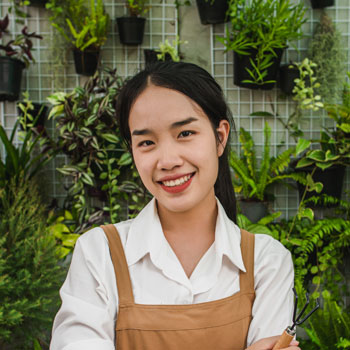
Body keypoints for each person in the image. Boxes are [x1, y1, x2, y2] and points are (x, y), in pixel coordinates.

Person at [50, 61, 299, 350]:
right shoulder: (99, 254)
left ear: (220, 137)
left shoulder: (267, 262)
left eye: (185, 134)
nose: (167, 161)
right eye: (146, 142)